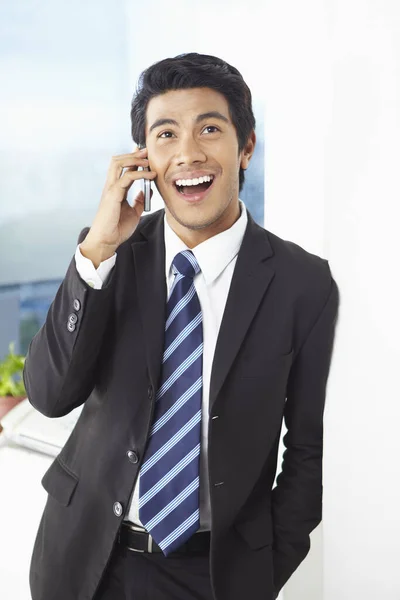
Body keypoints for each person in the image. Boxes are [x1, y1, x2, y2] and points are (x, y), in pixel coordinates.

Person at [24, 52, 339, 600]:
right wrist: (96, 250)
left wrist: (263, 573)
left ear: (246, 146)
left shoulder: (303, 283)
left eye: (210, 129)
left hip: (213, 574)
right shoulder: (110, 257)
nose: (188, 153)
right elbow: (50, 395)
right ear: (143, 157)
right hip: (84, 560)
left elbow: (309, 449)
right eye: (166, 134)